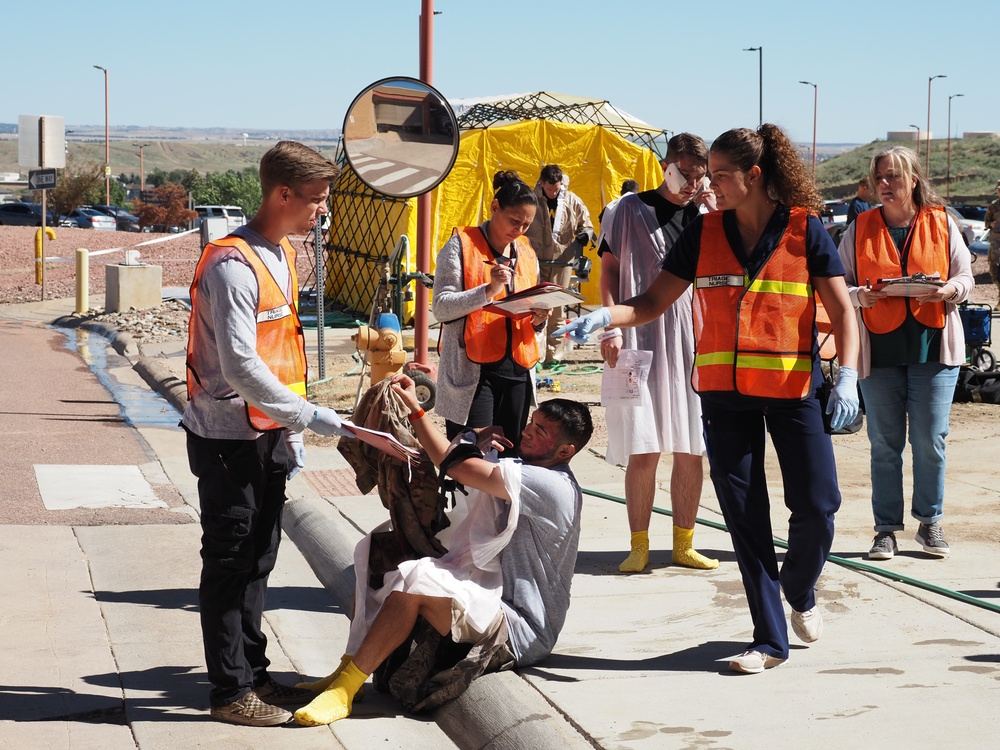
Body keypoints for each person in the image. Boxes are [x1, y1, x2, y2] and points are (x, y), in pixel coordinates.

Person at [556, 124, 860, 675]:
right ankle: (769, 639)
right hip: (723, 396)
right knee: (745, 519)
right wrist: (607, 316)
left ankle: (799, 586)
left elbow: (842, 311)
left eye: (719, 175)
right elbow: (650, 300)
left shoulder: (804, 230)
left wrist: (848, 376)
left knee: (818, 506)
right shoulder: (704, 231)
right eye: (706, 174)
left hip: (792, 391)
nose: (708, 185)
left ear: (755, 176)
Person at [293, 384, 594, 726]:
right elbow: (458, 461)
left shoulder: (550, 485)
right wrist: (471, 437)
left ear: (565, 450)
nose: (526, 431)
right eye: (531, 422)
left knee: (417, 580)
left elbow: (457, 467)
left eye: (539, 431)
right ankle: (348, 666)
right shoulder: (527, 468)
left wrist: (419, 414)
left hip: (520, 626)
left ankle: (345, 692)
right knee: (377, 551)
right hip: (489, 591)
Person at [183, 141, 355, 726]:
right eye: (315, 201)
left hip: (268, 433)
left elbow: (277, 354)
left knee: (259, 558)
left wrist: (290, 432)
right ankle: (231, 693)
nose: (320, 212)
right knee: (231, 561)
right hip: (228, 438)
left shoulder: (280, 253)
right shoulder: (233, 265)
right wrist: (311, 417)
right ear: (283, 194)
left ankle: (253, 675)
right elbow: (238, 364)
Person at [836, 146, 973, 561]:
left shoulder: (942, 222)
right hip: (879, 352)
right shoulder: (859, 226)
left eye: (893, 176)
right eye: (879, 177)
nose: (884, 184)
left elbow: (964, 274)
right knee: (884, 443)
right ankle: (886, 531)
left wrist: (952, 290)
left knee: (930, 440)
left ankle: (929, 522)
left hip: (935, 350)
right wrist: (861, 295)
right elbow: (836, 284)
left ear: (913, 179)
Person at [597, 133, 718, 573]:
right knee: (642, 447)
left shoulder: (709, 216)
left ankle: (684, 543)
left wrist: (712, 208)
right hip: (636, 339)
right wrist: (609, 325)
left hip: (694, 342)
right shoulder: (627, 210)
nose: (688, 182)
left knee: (691, 447)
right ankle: (639, 543)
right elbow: (608, 268)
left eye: (697, 174)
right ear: (667, 165)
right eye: (682, 172)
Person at [431, 170, 549, 456]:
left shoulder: (527, 252)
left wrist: (539, 321)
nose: (519, 230)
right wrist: (488, 290)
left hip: (519, 370)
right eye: (514, 221)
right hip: (474, 373)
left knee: (511, 461)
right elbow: (442, 307)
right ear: (495, 208)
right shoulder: (461, 245)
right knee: (472, 458)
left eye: (526, 224)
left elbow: (529, 304)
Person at [524, 164, 594, 364]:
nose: (554, 192)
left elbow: (586, 223)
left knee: (557, 310)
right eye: (550, 188)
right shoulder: (531, 200)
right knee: (534, 308)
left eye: (557, 188)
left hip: (562, 262)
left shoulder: (572, 200)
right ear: (541, 183)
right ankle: (533, 355)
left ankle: (553, 357)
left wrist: (585, 234)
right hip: (535, 261)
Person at [984, 179, 1000, 308]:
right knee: (995, 271)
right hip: (996, 244)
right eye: (998, 189)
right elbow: (986, 222)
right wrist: (991, 224)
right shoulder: (994, 205)